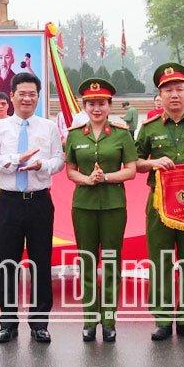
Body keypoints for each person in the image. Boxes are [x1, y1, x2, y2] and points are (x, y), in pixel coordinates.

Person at [0, 72, 64, 344]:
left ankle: (40, 322)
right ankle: (8, 322)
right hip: (8, 202)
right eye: (22, 93)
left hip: (39, 201)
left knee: (41, 261)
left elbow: (59, 160)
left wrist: (44, 166)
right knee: (8, 262)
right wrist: (16, 159)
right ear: (13, 95)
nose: (27, 98)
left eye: (32, 94)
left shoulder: (48, 127)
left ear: (38, 97)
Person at [135, 63, 184, 342]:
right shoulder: (148, 128)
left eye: (179, 89)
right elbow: (135, 163)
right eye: (168, 90)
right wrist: (153, 162)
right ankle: (163, 319)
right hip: (159, 206)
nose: (174, 95)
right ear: (160, 95)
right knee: (161, 260)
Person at [64, 78, 137, 343]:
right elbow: (70, 170)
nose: (97, 108)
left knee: (111, 262)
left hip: (113, 205)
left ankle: (108, 319)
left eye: (102, 103)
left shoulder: (121, 134)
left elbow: (130, 169)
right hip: (83, 205)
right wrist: (87, 180)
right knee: (86, 261)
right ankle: (89, 319)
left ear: (109, 105)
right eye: (92, 103)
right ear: (84, 106)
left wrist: (105, 177)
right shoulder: (74, 134)